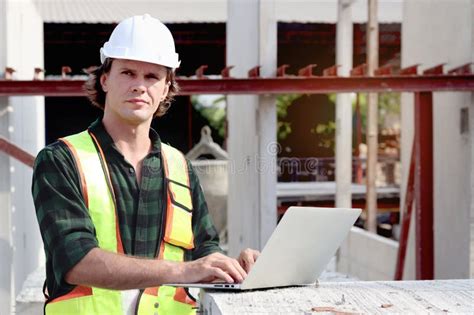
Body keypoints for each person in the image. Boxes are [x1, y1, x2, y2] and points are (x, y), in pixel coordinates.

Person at [32, 14, 259, 315]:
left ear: (166, 88)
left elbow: (204, 250)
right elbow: (75, 261)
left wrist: (234, 268)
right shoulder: (62, 160)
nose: (139, 85)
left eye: (152, 77)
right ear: (105, 80)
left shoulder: (180, 167)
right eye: (127, 72)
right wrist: (184, 272)